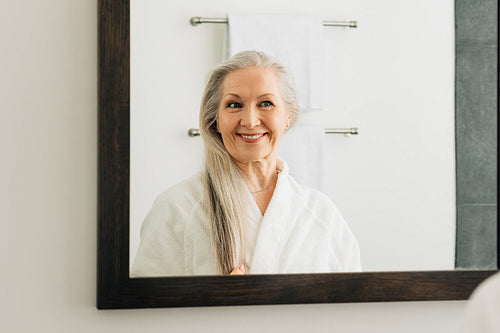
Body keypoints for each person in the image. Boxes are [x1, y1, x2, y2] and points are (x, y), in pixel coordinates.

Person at [131, 50, 361, 277]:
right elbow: (144, 309)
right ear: (216, 121)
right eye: (234, 105)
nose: (250, 121)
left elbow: (350, 309)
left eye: (266, 103)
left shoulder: (321, 214)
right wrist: (217, 302)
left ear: (288, 117)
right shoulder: (177, 207)